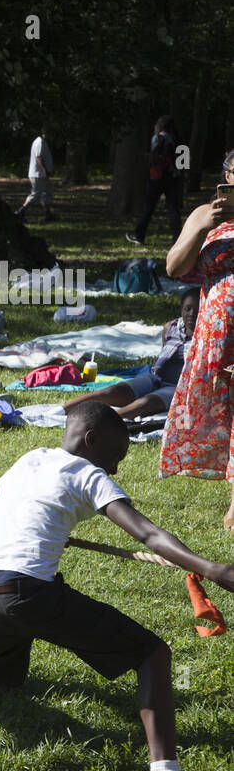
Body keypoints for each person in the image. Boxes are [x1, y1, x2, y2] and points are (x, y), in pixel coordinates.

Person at [0, 403, 234, 771]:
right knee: (151, 654)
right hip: (28, 591)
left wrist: (40, 525)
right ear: (92, 440)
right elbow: (148, 533)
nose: (114, 470)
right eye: (115, 457)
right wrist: (211, 568)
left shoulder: (31, 458)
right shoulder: (88, 473)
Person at [159, 149, 234, 528]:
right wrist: (204, 228)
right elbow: (175, 266)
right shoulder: (203, 215)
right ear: (226, 176)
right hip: (216, 333)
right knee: (223, 405)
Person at [64, 288, 198, 420]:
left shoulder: (207, 337)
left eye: (197, 310)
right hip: (155, 378)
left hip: (179, 387)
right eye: (187, 309)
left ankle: (103, 422)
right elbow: (164, 354)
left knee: (146, 403)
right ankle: (61, 410)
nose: (192, 314)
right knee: (112, 392)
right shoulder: (171, 327)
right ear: (181, 309)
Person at [127, 116, 184, 246]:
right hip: (173, 178)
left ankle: (139, 234)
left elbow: (154, 159)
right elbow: (184, 162)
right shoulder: (178, 140)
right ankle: (178, 239)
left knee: (149, 207)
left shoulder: (158, 138)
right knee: (173, 210)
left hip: (157, 178)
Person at [16, 127, 54, 222]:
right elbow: (39, 157)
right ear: (44, 133)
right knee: (35, 195)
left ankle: (48, 214)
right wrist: (44, 170)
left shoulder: (42, 142)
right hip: (38, 174)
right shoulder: (39, 142)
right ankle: (20, 212)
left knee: (46, 193)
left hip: (42, 174)